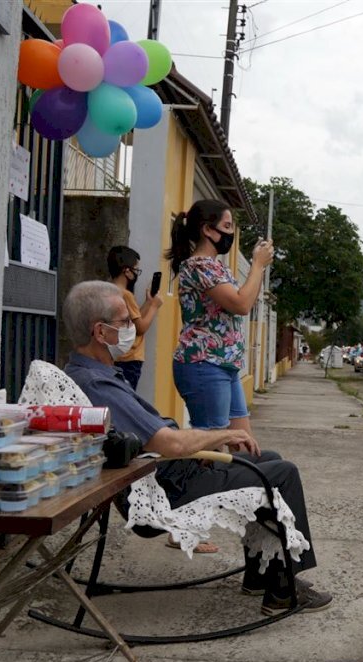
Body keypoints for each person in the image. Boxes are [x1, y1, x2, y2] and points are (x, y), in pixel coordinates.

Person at [62, 281, 332, 614]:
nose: (134, 327)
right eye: (125, 322)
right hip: (168, 486)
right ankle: (283, 588)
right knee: (283, 473)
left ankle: (261, 574)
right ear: (100, 332)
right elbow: (169, 442)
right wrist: (220, 435)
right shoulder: (97, 384)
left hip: (163, 473)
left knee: (266, 459)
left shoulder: (91, 373)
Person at [164, 199, 275, 436]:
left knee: (242, 441)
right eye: (227, 226)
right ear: (207, 229)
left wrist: (259, 269)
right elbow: (241, 304)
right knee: (212, 444)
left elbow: (245, 298)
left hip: (224, 364)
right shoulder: (198, 266)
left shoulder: (218, 267)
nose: (231, 233)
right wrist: (257, 264)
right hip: (204, 363)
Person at [106, 245, 163, 391]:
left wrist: (148, 302)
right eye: (136, 270)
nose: (137, 274)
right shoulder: (126, 295)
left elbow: (133, 318)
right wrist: (155, 307)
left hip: (114, 356)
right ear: (127, 271)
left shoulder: (109, 290)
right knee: (127, 397)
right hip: (130, 358)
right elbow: (140, 328)